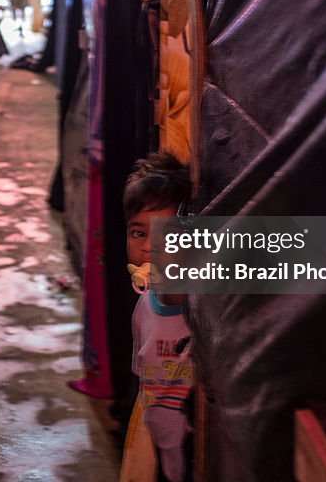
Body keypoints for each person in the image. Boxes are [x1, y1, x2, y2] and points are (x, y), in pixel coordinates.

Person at [120, 152, 194, 482]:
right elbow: (144, 381)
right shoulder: (144, 305)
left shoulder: (201, 309)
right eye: (138, 234)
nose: (149, 248)